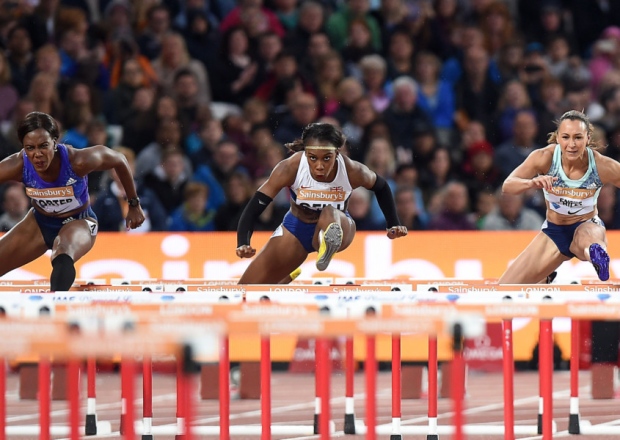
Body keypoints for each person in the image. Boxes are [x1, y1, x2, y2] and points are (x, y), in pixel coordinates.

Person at [235, 122, 407, 284]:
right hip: (296, 229)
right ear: (305, 153)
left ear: (337, 154)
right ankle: (284, 278)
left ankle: (326, 243)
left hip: (340, 224)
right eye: (312, 158)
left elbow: (382, 187)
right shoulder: (290, 167)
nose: (319, 166)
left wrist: (393, 223)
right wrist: (243, 241)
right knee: (245, 288)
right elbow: (255, 206)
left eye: (326, 158)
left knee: (329, 212)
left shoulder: (351, 170)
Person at [0, 112, 145, 291]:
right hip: (39, 223)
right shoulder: (18, 165)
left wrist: (133, 203)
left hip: (79, 221)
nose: (37, 154)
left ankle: (55, 305)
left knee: (63, 252)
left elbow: (120, 160)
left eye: (43, 146)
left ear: (55, 141)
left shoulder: (78, 160)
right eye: (30, 148)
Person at [498, 110, 619, 284]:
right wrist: (533, 183)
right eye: (566, 137)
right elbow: (508, 185)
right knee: (505, 288)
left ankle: (597, 256)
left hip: (586, 225)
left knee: (588, 239)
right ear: (557, 138)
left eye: (578, 137)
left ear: (588, 139)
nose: (572, 144)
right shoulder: (544, 157)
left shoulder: (601, 165)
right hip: (554, 232)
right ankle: (545, 279)